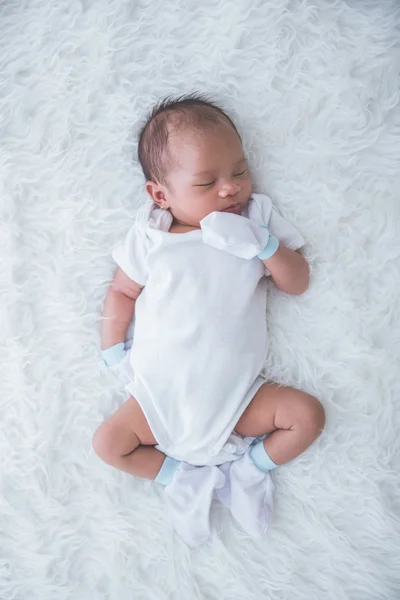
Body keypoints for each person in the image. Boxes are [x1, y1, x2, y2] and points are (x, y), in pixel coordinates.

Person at [93, 94, 325, 487]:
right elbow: (121, 292)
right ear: (161, 196)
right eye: (207, 182)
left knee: (308, 416)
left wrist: (266, 247)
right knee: (108, 444)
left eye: (239, 172)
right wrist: (113, 349)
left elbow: (298, 282)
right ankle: (181, 478)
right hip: (161, 398)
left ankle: (250, 469)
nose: (230, 189)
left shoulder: (255, 220)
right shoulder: (153, 235)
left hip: (237, 397)